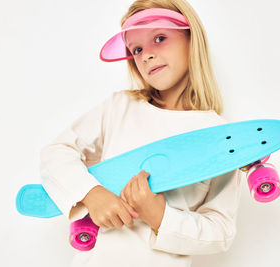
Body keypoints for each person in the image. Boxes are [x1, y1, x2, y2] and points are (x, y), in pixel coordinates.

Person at [40, 1, 242, 266]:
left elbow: (221, 231)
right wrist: (90, 193)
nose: (146, 55)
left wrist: (160, 215)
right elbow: (56, 152)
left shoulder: (221, 136)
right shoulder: (119, 107)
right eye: (136, 49)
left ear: (192, 39)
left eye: (159, 38)